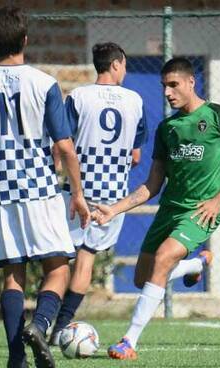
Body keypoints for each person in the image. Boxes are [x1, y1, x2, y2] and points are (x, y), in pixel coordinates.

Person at [0, 6, 89, 368]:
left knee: (13, 274)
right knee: (58, 269)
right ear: (25, 39)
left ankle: (16, 359)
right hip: (39, 186)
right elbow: (65, 147)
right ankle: (40, 326)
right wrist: (77, 193)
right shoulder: (44, 83)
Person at [91, 57, 220, 360]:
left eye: (173, 85)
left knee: (164, 257)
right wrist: (114, 210)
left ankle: (129, 340)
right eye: (164, 86)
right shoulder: (167, 128)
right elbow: (151, 187)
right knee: (143, 279)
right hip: (169, 210)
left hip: (202, 210)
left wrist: (219, 199)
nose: (167, 92)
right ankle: (196, 265)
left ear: (191, 82)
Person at [48, 42, 147, 346]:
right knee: (87, 258)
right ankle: (61, 329)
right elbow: (136, 154)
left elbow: (60, 142)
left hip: (77, 189)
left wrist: (54, 171)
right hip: (112, 195)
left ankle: (44, 318)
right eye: (125, 65)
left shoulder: (79, 96)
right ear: (116, 64)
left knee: (60, 259)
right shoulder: (135, 100)